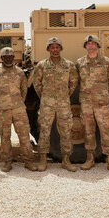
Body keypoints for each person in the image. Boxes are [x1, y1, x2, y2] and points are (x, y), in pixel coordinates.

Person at [30, 36, 78, 172]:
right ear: (48, 49)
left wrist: (65, 95)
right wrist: (45, 96)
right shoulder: (42, 65)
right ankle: (43, 160)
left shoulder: (69, 65)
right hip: (47, 103)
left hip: (63, 103)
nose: (55, 50)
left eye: (57, 47)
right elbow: (37, 83)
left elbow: (73, 82)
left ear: (60, 49)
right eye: (52, 47)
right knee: (44, 131)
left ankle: (66, 160)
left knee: (66, 131)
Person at [76, 35, 109, 173]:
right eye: (88, 43)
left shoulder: (106, 62)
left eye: (93, 43)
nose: (90, 45)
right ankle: (90, 158)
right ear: (85, 46)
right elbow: (77, 81)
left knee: (106, 131)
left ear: (98, 45)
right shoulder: (80, 62)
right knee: (88, 131)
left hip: (102, 103)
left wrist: (104, 93)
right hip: (86, 103)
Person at [0, 47, 36, 172]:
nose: (8, 59)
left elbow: (24, 90)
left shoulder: (20, 72)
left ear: (13, 57)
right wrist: (0, 104)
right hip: (3, 110)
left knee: (24, 135)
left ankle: (28, 161)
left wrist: (19, 102)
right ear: (1, 58)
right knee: (5, 137)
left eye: (10, 56)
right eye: (5, 57)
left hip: (18, 109)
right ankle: (7, 162)